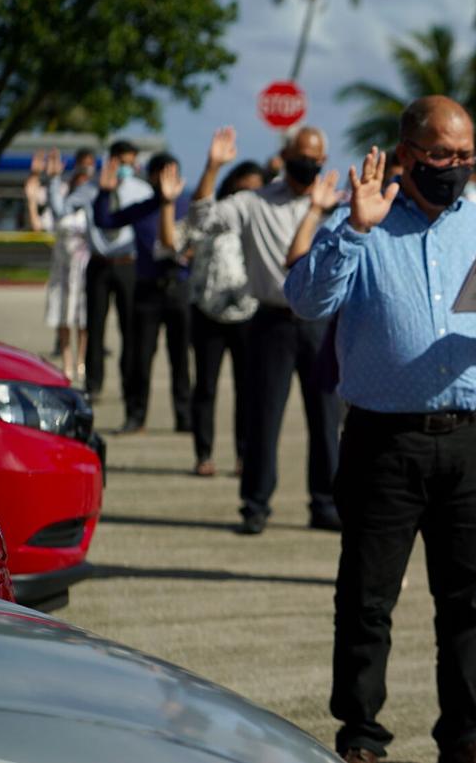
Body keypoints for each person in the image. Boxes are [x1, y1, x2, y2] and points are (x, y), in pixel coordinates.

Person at [284, 95, 476, 763]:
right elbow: (305, 299)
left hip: (472, 437)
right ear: (405, 154)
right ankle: (362, 734)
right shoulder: (360, 223)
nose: (453, 167)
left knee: (468, 598)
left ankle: (466, 731)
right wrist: (354, 230)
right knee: (367, 597)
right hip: (384, 441)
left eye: (465, 156)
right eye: (439, 154)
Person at [184, 125, 341, 534]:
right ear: (283, 156)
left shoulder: (335, 207)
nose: (308, 164)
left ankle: (325, 503)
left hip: (319, 323)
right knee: (263, 416)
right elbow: (200, 220)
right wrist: (213, 167)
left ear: (324, 161)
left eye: (315, 158)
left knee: (325, 418)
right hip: (273, 318)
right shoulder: (255, 202)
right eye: (301, 156)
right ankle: (255, 504)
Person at [158, 160, 264, 476]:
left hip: (249, 312)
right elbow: (169, 242)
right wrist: (167, 203)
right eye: (244, 189)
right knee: (205, 387)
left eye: (257, 190)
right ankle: (204, 454)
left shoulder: (260, 219)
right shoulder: (209, 217)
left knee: (248, 389)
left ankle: (245, 455)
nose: (249, 197)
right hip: (206, 312)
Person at [93, 153, 192, 435]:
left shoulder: (187, 204)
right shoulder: (143, 208)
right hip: (148, 290)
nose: (164, 182)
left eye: (170, 175)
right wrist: (105, 191)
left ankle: (184, 417)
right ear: (150, 178)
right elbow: (106, 220)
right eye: (159, 175)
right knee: (140, 358)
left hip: (180, 288)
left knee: (181, 359)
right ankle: (136, 416)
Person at [49, 139, 149, 401]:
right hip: (99, 264)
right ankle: (93, 385)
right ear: (111, 160)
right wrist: (53, 180)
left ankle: (130, 385)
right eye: (122, 162)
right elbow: (61, 210)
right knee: (94, 326)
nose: (127, 168)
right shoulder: (90, 188)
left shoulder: (141, 190)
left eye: (131, 163)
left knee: (130, 328)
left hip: (128, 263)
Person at [25, 149, 92, 386]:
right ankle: (67, 362)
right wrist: (35, 175)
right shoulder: (60, 200)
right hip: (63, 272)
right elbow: (36, 217)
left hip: (85, 271)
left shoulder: (92, 205)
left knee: (85, 320)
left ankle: (82, 361)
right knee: (64, 318)